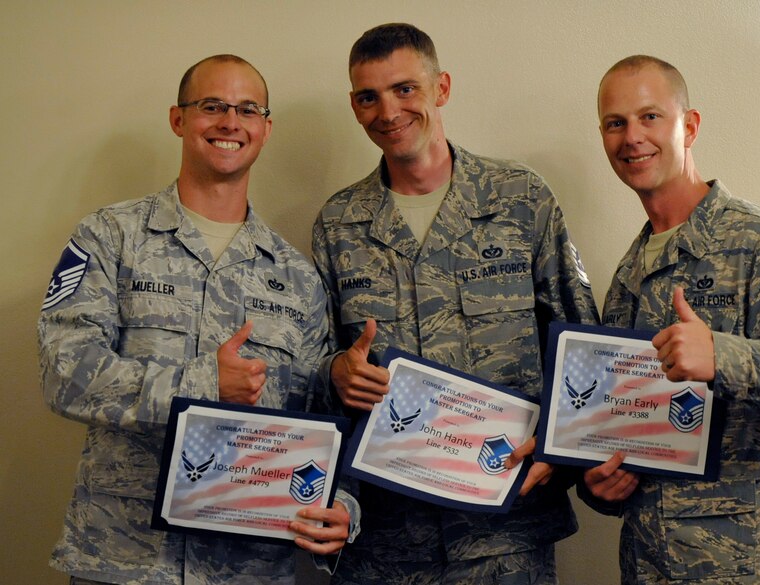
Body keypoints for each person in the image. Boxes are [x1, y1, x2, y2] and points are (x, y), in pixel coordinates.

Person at [38, 54, 357, 585]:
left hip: (248, 566)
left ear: (265, 128)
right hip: (124, 559)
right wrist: (203, 383)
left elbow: (319, 419)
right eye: (212, 106)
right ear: (178, 119)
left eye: (248, 110)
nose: (231, 122)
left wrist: (342, 501)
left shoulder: (298, 277)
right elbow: (63, 373)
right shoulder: (110, 237)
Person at [311, 22, 599, 585]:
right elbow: (315, 369)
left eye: (405, 89)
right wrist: (336, 372)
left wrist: (557, 452)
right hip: (384, 540)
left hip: (506, 531)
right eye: (368, 97)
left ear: (441, 87)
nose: (388, 111)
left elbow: (581, 346)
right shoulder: (338, 224)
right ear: (354, 106)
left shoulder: (521, 199)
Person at [579, 55, 760, 584]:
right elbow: (626, 426)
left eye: (650, 117)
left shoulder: (759, 241)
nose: (632, 137)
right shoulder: (628, 275)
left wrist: (723, 356)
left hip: (757, 566)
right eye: (615, 123)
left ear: (689, 126)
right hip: (652, 566)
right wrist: (600, 486)